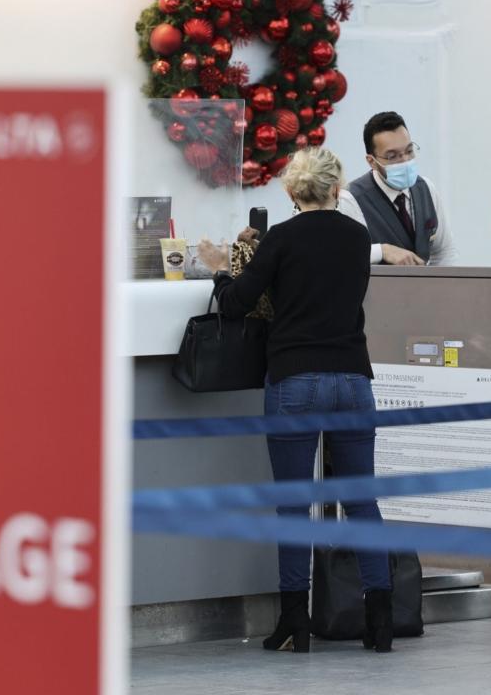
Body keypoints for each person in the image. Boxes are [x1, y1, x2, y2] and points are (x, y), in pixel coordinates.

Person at [197, 147, 395, 654]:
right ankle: (379, 619)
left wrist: (224, 269)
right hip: (353, 378)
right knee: (361, 500)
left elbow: (240, 302)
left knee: (292, 503)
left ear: (289, 192)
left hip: (295, 378)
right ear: (336, 188)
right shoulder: (357, 237)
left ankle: (295, 622)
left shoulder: (281, 238)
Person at [336, 111, 456, 266]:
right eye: (392, 156)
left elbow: (444, 251)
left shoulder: (426, 189)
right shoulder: (351, 198)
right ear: (371, 161)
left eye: (409, 151)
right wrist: (382, 251)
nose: (405, 160)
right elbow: (342, 255)